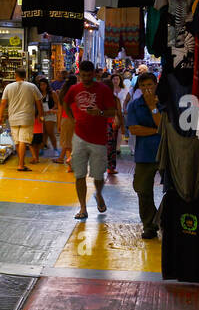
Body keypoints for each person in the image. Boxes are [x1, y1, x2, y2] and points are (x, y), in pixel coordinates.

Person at [65, 60, 123, 220]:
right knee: (79, 174)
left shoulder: (103, 90)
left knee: (98, 175)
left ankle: (98, 194)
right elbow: (65, 102)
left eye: (89, 75)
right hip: (79, 137)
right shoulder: (74, 89)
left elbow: (112, 112)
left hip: (98, 139)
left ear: (94, 74)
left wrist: (100, 113)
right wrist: (72, 119)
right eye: (83, 75)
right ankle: (83, 207)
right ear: (79, 74)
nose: (86, 78)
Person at [125, 71, 163, 238]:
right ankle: (149, 224)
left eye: (150, 85)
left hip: (164, 153)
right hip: (144, 155)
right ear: (138, 87)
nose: (147, 89)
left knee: (173, 189)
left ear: (156, 85)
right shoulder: (134, 105)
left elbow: (163, 124)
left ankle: (163, 220)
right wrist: (157, 131)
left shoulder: (163, 102)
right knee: (142, 189)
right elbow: (134, 129)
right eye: (143, 85)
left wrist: (153, 107)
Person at [0, 67, 44, 171]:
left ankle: (21, 163)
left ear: (15, 75)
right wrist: (41, 115)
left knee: (18, 141)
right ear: (25, 75)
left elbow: (3, 103)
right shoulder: (32, 87)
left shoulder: (9, 87)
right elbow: (39, 102)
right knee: (23, 141)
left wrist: (0, 117)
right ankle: (21, 165)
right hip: (27, 118)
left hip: (13, 118)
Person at [52, 68, 75, 171]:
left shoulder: (62, 93)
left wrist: (58, 123)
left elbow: (60, 110)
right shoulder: (77, 92)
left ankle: (66, 161)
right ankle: (69, 162)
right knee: (72, 142)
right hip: (76, 119)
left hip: (65, 119)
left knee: (66, 142)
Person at [36, 76, 59, 155]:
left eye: (44, 84)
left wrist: (52, 109)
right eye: (41, 85)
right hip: (42, 114)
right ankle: (41, 148)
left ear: (47, 85)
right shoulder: (38, 94)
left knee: (50, 132)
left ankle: (55, 149)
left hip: (50, 115)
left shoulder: (52, 93)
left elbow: (57, 104)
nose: (42, 86)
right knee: (43, 133)